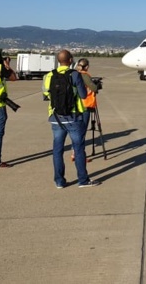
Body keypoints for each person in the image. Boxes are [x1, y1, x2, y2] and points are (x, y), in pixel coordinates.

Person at [42, 50, 100, 189]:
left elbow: (45, 94)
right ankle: (83, 180)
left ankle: (59, 181)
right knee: (79, 148)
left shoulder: (49, 75)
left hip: (56, 117)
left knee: (57, 150)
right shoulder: (74, 75)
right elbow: (83, 95)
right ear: (70, 60)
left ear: (58, 60)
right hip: (73, 116)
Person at [73, 58, 99, 162]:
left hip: (74, 106)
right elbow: (94, 88)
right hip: (85, 105)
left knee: (76, 131)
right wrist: (96, 85)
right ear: (87, 66)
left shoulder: (73, 75)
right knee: (82, 132)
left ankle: (74, 152)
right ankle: (80, 154)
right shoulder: (85, 75)